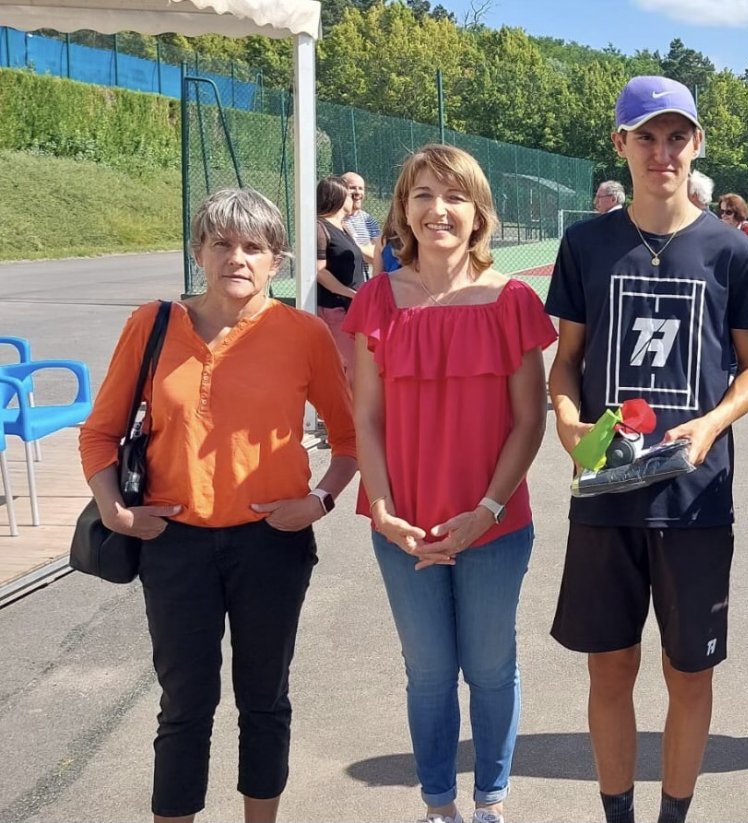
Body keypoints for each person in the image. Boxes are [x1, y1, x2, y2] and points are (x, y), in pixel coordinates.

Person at [79, 188, 357, 823]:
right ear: (199, 251)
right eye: (222, 243)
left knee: (265, 699)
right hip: (175, 545)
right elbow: (99, 434)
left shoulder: (302, 334)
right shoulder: (151, 325)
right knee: (185, 702)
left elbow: (348, 440)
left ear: (277, 260)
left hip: (271, 544)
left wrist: (319, 502)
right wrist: (118, 514)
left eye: (254, 247)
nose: (238, 257)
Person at [546, 75, 748, 823]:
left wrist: (710, 424)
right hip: (607, 496)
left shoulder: (731, 251)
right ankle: (618, 814)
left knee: (689, 671)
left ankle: (675, 813)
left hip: (693, 500)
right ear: (621, 145)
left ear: (697, 144)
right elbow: (566, 362)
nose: (662, 152)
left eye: (677, 137)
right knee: (610, 667)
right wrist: (568, 422)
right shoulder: (585, 244)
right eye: (646, 136)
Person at [346, 144, 555, 823]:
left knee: (492, 669)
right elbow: (366, 418)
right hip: (402, 525)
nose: (439, 209)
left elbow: (531, 419)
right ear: (403, 209)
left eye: (455, 195)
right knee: (430, 673)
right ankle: (439, 804)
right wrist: (382, 509)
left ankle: (490, 799)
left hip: (494, 525)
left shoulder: (512, 300)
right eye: (423, 194)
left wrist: (488, 508)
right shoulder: (378, 300)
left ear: (478, 212)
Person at [316, 176, 365, 379]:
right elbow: (320, 271)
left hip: (351, 309)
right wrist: (351, 294)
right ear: (336, 197)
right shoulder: (320, 227)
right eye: (349, 193)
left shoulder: (345, 227)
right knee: (350, 371)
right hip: (334, 310)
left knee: (359, 368)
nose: (354, 196)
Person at [343, 171, 381, 275]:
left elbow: (376, 257)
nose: (358, 192)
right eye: (352, 188)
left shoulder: (368, 220)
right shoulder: (335, 219)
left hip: (362, 283)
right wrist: (366, 248)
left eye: (361, 188)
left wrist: (353, 244)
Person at [718, 192, 748, 261]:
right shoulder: (717, 229)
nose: (723, 215)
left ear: (738, 212)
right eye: (722, 211)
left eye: (728, 212)